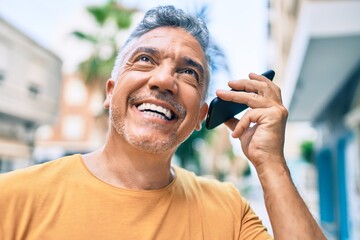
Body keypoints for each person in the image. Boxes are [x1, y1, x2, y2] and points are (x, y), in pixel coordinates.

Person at [0, 5, 325, 240]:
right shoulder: (12, 198)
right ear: (110, 93)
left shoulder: (229, 211)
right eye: (144, 60)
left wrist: (272, 165)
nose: (164, 80)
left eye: (188, 72)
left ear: (200, 116)